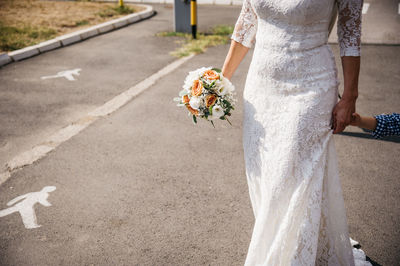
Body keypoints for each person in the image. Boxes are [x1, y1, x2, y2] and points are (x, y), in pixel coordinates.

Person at [221, 0, 372, 265]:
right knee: (267, 176)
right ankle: (299, 246)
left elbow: (350, 36)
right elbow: (246, 26)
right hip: (262, 87)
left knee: (288, 174)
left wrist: (349, 97)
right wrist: (219, 83)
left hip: (310, 85)